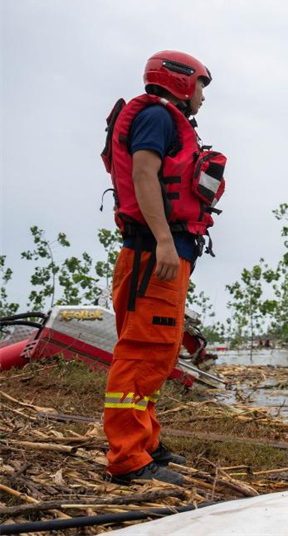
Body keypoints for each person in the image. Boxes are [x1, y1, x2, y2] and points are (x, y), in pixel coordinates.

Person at [100, 50, 227, 485]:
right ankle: (128, 460)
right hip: (152, 254)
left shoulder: (167, 119)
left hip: (159, 254)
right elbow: (143, 174)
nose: (203, 98)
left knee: (159, 351)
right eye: (201, 87)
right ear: (179, 81)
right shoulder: (157, 118)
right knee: (142, 351)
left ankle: (146, 443)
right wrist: (164, 241)